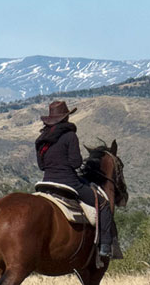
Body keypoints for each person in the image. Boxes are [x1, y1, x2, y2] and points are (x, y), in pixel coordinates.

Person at [35, 100, 117, 259]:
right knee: (103, 204)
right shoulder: (70, 136)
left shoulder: (41, 139)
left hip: (46, 183)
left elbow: (41, 165)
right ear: (65, 118)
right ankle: (105, 246)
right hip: (68, 182)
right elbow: (76, 163)